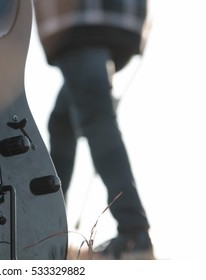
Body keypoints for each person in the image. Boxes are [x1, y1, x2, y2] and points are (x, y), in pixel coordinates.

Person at [33, 0, 154, 259]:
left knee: (97, 118)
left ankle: (134, 234)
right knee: (63, 123)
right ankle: (47, 228)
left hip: (79, 19)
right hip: (123, 19)